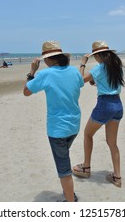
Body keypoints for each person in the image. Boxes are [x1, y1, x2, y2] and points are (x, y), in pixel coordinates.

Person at [23, 41, 84, 202]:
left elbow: (26, 91)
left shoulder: (45, 74)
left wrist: (32, 72)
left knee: (63, 168)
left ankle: (70, 200)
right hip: (74, 125)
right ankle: (68, 193)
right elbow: (80, 84)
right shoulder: (74, 71)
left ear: (48, 59)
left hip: (57, 128)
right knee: (64, 156)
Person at [73, 40, 125, 188]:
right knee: (112, 143)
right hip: (117, 105)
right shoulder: (116, 67)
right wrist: (95, 81)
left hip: (105, 105)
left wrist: (82, 63)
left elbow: (80, 81)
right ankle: (117, 176)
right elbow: (109, 83)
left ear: (98, 56)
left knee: (87, 134)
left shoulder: (99, 67)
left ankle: (86, 167)